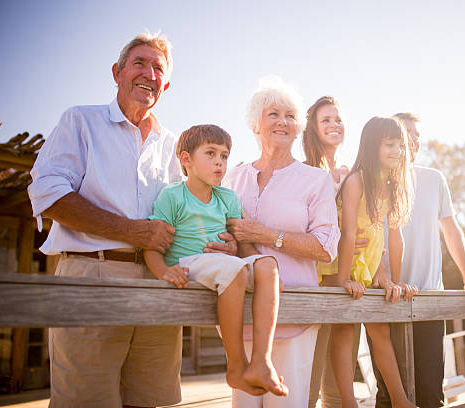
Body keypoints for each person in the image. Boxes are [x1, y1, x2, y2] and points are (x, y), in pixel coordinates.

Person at [27, 32, 236, 408]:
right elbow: (48, 194)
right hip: (94, 277)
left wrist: (224, 244)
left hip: (160, 283)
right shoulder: (80, 121)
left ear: (165, 84)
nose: (149, 73)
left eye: (158, 68)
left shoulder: (174, 147)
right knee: (86, 401)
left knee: (146, 400)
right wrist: (132, 231)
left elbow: (190, 215)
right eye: (140, 63)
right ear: (117, 72)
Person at [143, 124, 287, 397]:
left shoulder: (228, 197)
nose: (219, 162)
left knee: (268, 264)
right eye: (210, 154)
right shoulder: (172, 196)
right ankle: (236, 365)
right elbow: (152, 246)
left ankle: (261, 361)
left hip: (222, 265)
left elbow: (242, 248)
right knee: (232, 270)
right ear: (186, 160)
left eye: (224, 155)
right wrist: (163, 271)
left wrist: (253, 269)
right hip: (188, 263)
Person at [222, 77, 341, 407]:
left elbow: (324, 247)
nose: (283, 122)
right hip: (241, 317)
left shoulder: (315, 180)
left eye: (290, 116)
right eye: (273, 113)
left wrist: (262, 234)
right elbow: (221, 232)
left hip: (295, 316)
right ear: (255, 123)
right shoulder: (232, 177)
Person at [370, 112, 465, 408]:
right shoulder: (373, 181)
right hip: (385, 299)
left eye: (417, 135)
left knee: (430, 394)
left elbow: (451, 229)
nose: (413, 140)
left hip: (429, 300)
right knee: (388, 395)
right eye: (405, 133)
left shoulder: (434, 179)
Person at [325, 116, 416, 408]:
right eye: (390, 144)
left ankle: (401, 401)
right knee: (345, 331)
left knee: (380, 332)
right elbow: (349, 233)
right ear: (372, 146)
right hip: (339, 266)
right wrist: (342, 282)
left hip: (367, 268)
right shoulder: (355, 181)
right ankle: (349, 404)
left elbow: (388, 238)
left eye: (400, 145)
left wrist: (391, 278)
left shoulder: (389, 186)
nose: (397, 151)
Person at [304, 96, 360, 408]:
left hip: (346, 276)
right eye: (326, 120)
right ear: (312, 127)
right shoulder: (304, 170)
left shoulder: (350, 172)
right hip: (315, 279)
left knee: (340, 382)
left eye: (338, 119)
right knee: (309, 377)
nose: (334, 124)